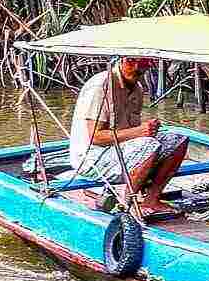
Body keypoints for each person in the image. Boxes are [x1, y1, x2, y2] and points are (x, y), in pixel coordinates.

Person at [66, 55, 191, 217]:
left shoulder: (137, 88)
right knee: (149, 145)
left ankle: (151, 199)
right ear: (120, 61)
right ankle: (126, 205)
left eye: (143, 63)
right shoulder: (100, 86)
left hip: (121, 150)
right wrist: (140, 131)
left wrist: (147, 129)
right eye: (130, 61)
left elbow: (132, 132)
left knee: (178, 139)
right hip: (92, 158)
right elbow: (95, 137)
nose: (137, 67)